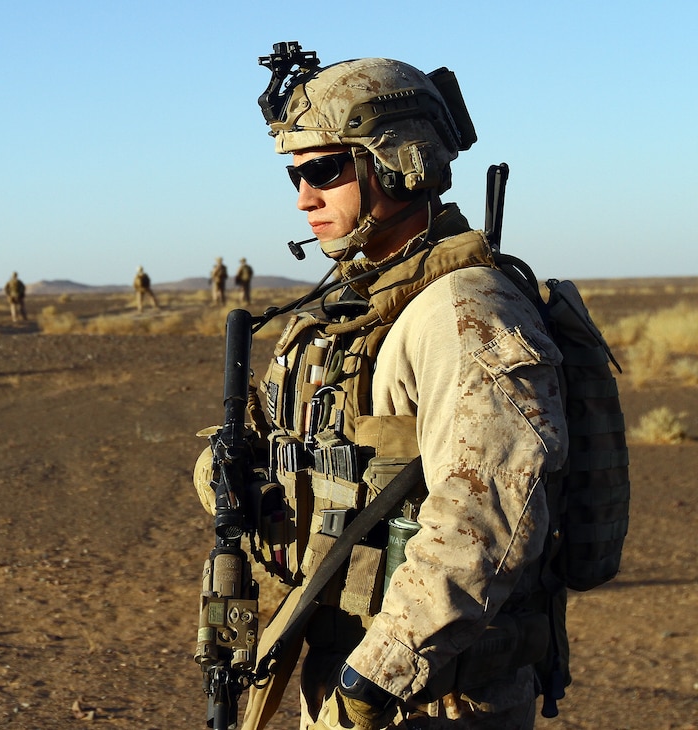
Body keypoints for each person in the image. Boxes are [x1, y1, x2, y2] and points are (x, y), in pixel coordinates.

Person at [193, 46, 568, 730]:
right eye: (295, 176)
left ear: (401, 160)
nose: (305, 195)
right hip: (350, 671)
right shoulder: (356, 303)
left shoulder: (465, 313)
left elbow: (485, 523)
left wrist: (370, 685)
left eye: (326, 170)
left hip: (427, 699)